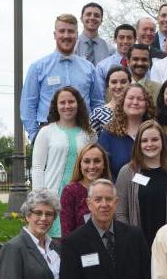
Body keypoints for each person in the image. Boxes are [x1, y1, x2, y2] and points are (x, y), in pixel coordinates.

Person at [60, 179, 155, 279]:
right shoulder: (73, 243)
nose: (104, 204)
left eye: (109, 199)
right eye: (98, 200)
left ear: (116, 203)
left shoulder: (135, 236)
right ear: (89, 203)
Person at [21, 14, 103, 142]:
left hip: (83, 133)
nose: (66, 35)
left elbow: (97, 104)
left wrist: (94, 133)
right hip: (48, 134)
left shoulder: (89, 69)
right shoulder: (38, 68)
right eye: (62, 31)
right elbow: (28, 105)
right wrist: (35, 136)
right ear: (55, 35)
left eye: (70, 31)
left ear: (76, 35)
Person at [31, 86, 95, 238]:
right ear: (56, 106)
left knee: (80, 236)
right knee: (55, 239)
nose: (67, 106)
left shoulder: (89, 133)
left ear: (78, 104)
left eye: (71, 102)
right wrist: (39, 198)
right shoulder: (46, 132)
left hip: (80, 196)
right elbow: (38, 167)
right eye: (62, 102)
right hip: (53, 194)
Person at [115, 120, 167, 245]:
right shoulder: (127, 172)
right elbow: (120, 212)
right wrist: (130, 238)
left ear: (162, 141)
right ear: (138, 144)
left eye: (154, 139)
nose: (150, 144)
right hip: (139, 245)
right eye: (144, 141)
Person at [0, 189, 61, 279]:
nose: (43, 218)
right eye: (38, 213)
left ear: (54, 218)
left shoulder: (56, 247)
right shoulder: (14, 248)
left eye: (49, 214)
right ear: (28, 215)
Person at [98, 83, 155, 181]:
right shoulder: (108, 135)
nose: (135, 102)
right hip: (117, 192)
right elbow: (102, 170)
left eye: (140, 99)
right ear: (123, 102)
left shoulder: (155, 132)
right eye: (131, 98)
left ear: (147, 104)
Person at [60, 143, 112, 237]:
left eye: (97, 161)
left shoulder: (111, 190)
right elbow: (67, 233)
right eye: (87, 161)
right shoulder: (70, 192)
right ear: (80, 164)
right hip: (81, 249)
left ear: (104, 164)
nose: (92, 166)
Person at [89, 66, 131, 133]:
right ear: (108, 85)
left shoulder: (136, 110)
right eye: (114, 82)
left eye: (123, 82)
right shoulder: (98, 113)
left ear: (130, 84)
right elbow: (90, 141)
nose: (119, 86)